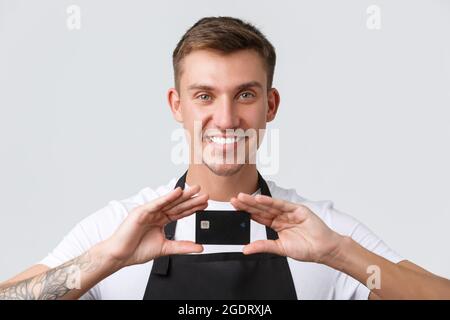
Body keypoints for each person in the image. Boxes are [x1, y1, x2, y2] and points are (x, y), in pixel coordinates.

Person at [1, 16, 449, 300]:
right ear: (177, 105)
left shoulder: (320, 232)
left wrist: (339, 254)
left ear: (270, 105)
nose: (227, 117)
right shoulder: (118, 230)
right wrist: (106, 260)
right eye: (204, 96)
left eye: (245, 95)